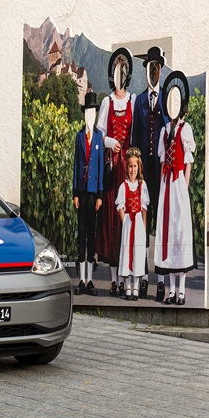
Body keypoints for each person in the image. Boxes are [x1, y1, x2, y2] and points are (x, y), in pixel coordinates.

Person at [154, 71, 196, 305]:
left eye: (176, 101)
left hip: (179, 183)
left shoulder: (185, 128)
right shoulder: (164, 131)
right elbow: (162, 163)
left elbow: (188, 162)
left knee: (180, 234)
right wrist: (163, 187)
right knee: (168, 234)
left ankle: (182, 290)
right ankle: (171, 290)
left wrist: (183, 189)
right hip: (166, 185)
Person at [131, 45, 168, 301]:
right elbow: (135, 137)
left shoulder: (168, 99)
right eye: (148, 67)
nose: (152, 71)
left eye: (155, 67)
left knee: (161, 224)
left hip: (162, 172)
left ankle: (163, 279)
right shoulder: (139, 100)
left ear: (160, 70)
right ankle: (143, 278)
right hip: (145, 173)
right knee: (144, 223)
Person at [97, 48, 134, 296]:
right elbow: (99, 133)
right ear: (113, 74)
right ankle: (113, 280)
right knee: (112, 219)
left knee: (127, 220)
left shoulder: (131, 100)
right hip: (112, 166)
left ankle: (126, 277)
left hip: (128, 168)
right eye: (117, 71)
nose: (120, 76)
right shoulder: (107, 102)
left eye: (124, 71)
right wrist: (111, 142)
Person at [71, 90, 106, 296]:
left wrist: (100, 195)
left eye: (93, 112)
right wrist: (75, 192)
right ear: (84, 115)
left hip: (93, 193)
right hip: (82, 192)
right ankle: (81, 281)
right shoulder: (78, 136)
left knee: (91, 237)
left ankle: (90, 280)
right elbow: (77, 165)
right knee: (82, 235)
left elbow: (100, 166)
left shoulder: (99, 137)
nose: (89, 116)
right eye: (87, 113)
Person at [115, 147, 148, 300]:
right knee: (128, 253)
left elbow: (144, 208)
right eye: (130, 166)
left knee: (137, 254)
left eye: (135, 166)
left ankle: (136, 288)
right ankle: (128, 288)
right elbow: (120, 207)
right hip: (129, 223)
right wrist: (125, 223)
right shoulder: (124, 186)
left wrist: (143, 227)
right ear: (126, 168)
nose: (133, 169)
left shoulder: (142, 186)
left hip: (139, 225)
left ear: (138, 167)